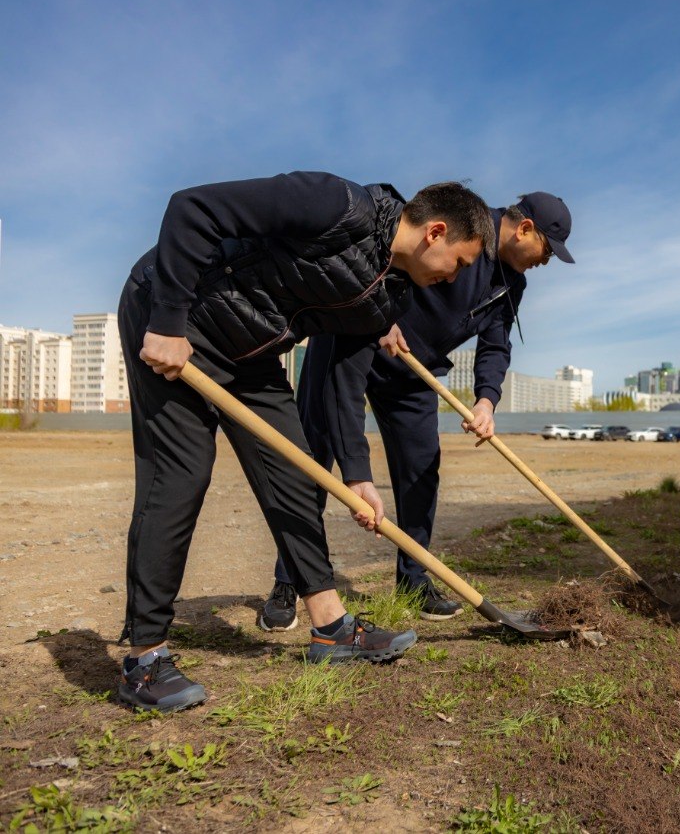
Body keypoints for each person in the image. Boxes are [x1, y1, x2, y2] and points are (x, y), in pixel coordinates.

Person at [117, 172, 495, 712]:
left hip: (251, 351)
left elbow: (345, 383)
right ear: (436, 232)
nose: (455, 279)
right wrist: (169, 318)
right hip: (178, 315)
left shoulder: (389, 294)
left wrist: (357, 476)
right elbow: (192, 208)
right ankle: (144, 658)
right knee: (181, 475)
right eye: (459, 263)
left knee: (294, 476)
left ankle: (331, 629)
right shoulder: (337, 206)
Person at [257, 193, 575, 631]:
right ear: (525, 229)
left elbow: (496, 344)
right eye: (548, 251)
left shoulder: (512, 284)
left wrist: (486, 400)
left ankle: (413, 580)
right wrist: (377, 314)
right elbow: (394, 251)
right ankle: (289, 579)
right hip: (356, 337)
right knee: (315, 462)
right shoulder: (463, 222)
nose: (547, 262)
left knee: (422, 470)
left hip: (414, 371)